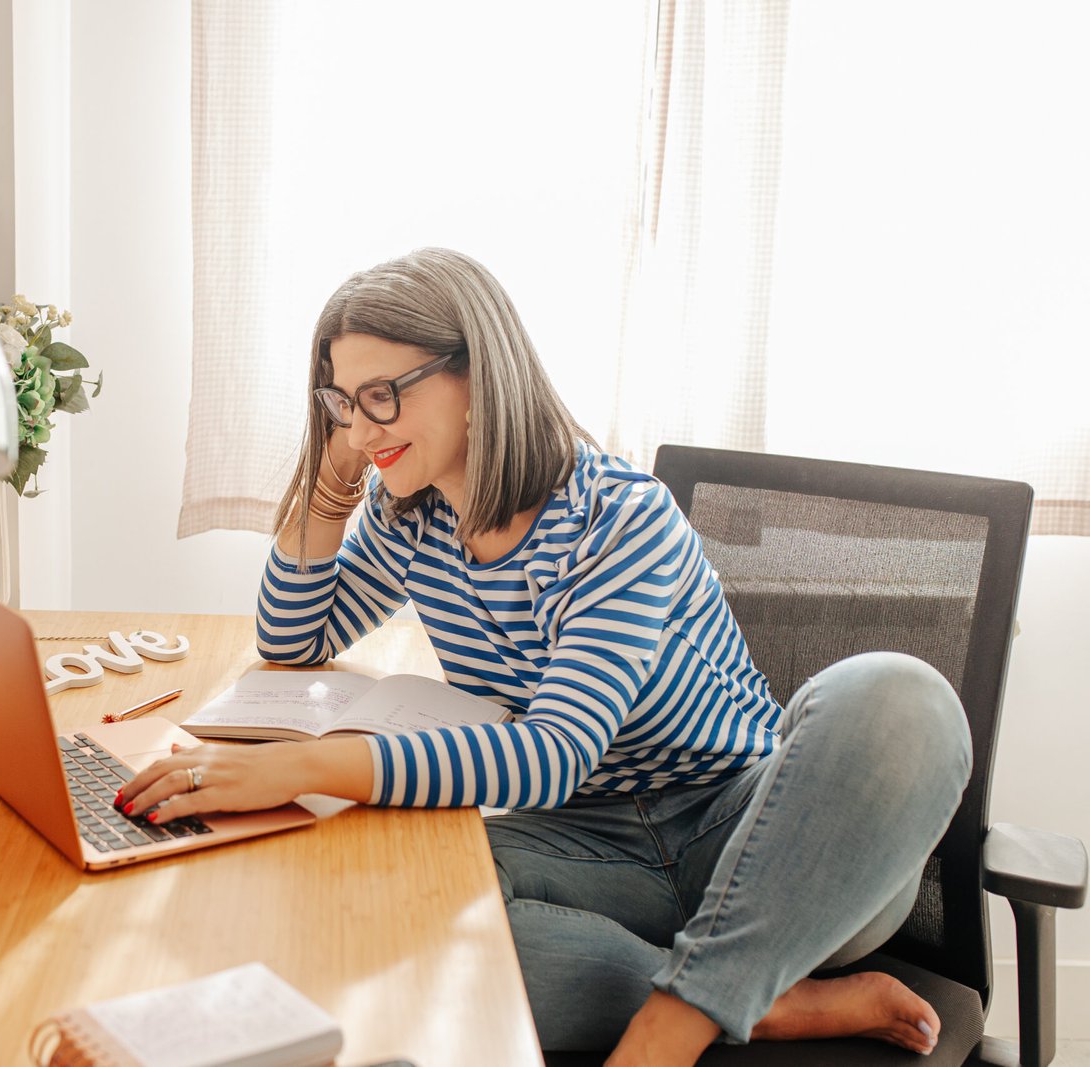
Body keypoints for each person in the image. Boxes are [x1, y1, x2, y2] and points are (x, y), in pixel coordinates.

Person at [117, 247, 972, 1063]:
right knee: (369, 895)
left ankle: (671, 1027)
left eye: (382, 395)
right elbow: (294, 638)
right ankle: (764, 1005)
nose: (360, 426)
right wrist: (335, 480)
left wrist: (306, 765)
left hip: (759, 840)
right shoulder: (410, 516)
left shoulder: (617, 519)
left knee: (899, 696)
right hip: (593, 852)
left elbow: (553, 754)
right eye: (342, 400)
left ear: (476, 377)